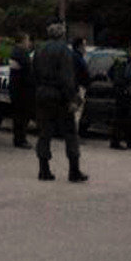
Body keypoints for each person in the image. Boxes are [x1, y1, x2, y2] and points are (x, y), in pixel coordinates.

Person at [33, 22, 87, 182]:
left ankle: (44, 169)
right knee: (70, 133)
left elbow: (33, 72)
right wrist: (72, 98)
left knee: (44, 132)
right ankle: (74, 170)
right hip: (59, 95)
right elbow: (67, 77)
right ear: (62, 35)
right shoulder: (64, 51)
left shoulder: (39, 49)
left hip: (42, 93)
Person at [108, 48, 131, 149]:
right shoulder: (130, 63)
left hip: (118, 91)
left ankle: (121, 141)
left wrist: (115, 84)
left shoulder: (119, 60)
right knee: (123, 117)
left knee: (120, 117)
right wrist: (128, 87)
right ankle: (119, 141)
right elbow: (127, 76)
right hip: (124, 92)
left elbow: (110, 72)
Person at [8, 32, 34, 149]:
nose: (29, 43)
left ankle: (18, 138)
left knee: (17, 114)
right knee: (23, 115)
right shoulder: (22, 53)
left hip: (15, 87)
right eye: (27, 40)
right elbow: (28, 69)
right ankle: (21, 139)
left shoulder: (14, 52)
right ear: (23, 40)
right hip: (22, 89)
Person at [71, 37, 91, 133]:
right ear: (79, 47)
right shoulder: (79, 59)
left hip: (72, 87)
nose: (85, 48)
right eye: (84, 45)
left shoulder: (71, 57)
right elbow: (85, 74)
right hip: (79, 88)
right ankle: (74, 134)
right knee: (76, 114)